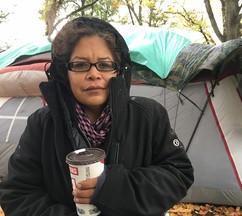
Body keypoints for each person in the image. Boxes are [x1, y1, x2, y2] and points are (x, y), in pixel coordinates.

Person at [0, 17, 194, 216]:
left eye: (105, 64)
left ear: (119, 71)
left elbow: (178, 174)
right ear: (63, 72)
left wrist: (110, 187)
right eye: (80, 65)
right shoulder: (42, 124)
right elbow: (18, 194)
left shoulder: (148, 115)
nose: (94, 74)